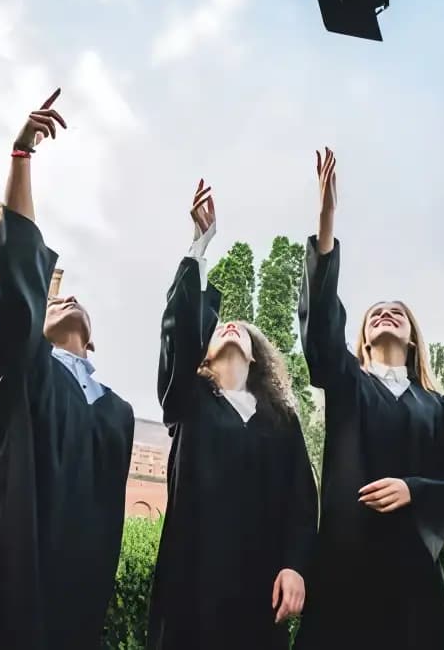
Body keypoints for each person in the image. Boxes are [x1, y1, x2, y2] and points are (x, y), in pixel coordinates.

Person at [0, 91, 136, 650]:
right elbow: (21, 268)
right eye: (51, 302)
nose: (63, 300)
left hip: (76, 595)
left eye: (74, 302)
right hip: (13, 584)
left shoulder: (117, 412)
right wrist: (21, 156)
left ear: (92, 337)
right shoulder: (29, 371)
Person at [293, 149, 444, 650]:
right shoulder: (347, 381)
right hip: (345, 569)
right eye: (375, 313)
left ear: (413, 339)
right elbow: (321, 328)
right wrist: (326, 221)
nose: (385, 314)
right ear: (363, 339)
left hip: (412, 579)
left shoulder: (435, 406)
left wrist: (414, 489)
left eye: (397, 312)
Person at [147, 180, 318, 650]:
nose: (229, 326)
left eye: (240, 329)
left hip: (258, 594)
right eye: (220, 326)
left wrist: (295, 565)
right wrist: (199, 246)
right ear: (202, 355)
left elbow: (301, 501)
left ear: (256, 355)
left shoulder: (281, 421)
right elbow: (179, 331)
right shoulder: (188, 401)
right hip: (191, 587)